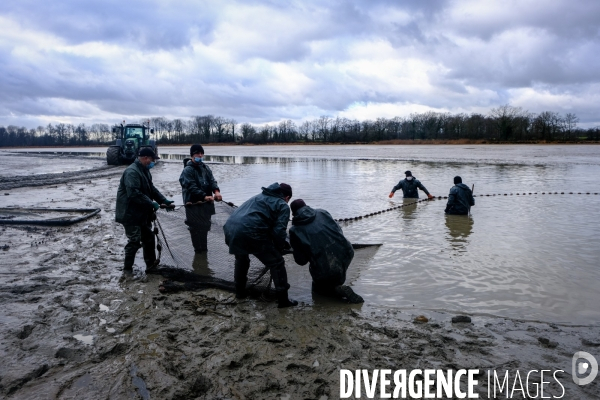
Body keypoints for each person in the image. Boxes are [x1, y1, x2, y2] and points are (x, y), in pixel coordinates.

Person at [223, 182, 297, 308]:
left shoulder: (258, 197)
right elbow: (279, 232)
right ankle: (283, 300)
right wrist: (279, 248)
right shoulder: (283, 205)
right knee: (277, 262)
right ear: (287, 197)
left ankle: (240, 293)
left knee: (241, 259)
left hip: (230, 229)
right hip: (250, 232)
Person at [288, 199, 363, 304]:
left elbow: (301, 261)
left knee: (319, 290)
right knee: (335, 273)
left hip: (326, 265)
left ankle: (337, 290)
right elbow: (338, 230)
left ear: (293, 214)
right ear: (306, 206)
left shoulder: (294, 230)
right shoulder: (322, 212)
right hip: (346, 251)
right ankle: (336, 284)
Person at [115, 148, 174, 272]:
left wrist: (163, 201)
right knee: (135, 240)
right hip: (129, 214)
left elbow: (151, 189)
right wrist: (151, 203)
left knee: (149, 237)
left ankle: (151, 265)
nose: (153, 162)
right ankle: (127, 269)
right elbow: (134, 193)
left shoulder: (144, 170)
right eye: (152, 160)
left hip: (141, 213)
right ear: (146, 158)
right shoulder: (132, 172)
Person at [179, 144, 222, 253]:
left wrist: (216, 192)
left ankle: (204, 250)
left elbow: (212, 181)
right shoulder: (187, 170)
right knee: (195, 229)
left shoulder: (206, 168)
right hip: (192, 204)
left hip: (206, 204)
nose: (200, 155)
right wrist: (204, 196)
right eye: (198, 153)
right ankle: (198, 251)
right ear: (192, 155)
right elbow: (191, 186)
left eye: (202, 153)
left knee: (205, 227)